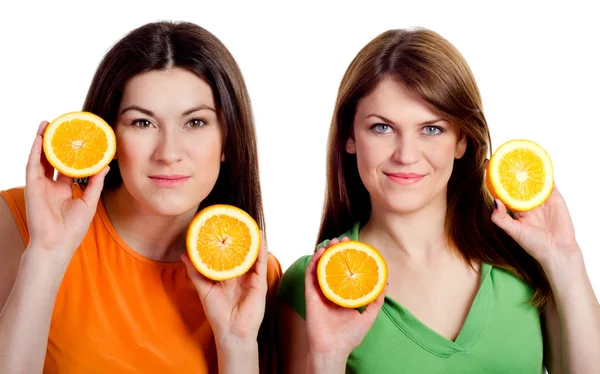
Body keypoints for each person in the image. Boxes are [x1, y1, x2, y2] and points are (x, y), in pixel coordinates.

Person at [277, 27, 600, 373]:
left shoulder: (522, 261)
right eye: (382, 128)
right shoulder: (317, 284)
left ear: (462, 141)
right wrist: (328, 358)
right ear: (349, 137)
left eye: (431, 129)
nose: (406, 155)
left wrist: (565, 259)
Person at [0, 21, 281, 374]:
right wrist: (46, 254)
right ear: (111, 138)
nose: (169, 152)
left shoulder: (255, 275)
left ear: (228, 140)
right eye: (142, 123)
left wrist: (237, 343)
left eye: (195, 122)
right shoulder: (19, 222)